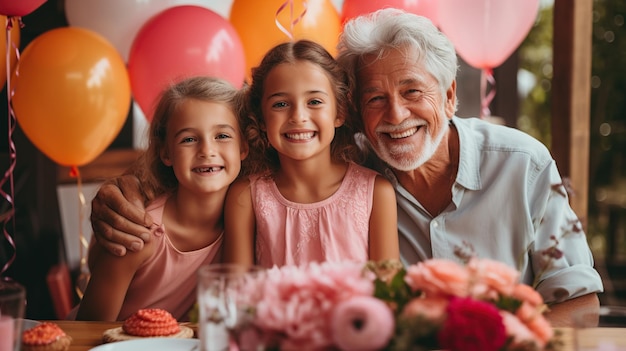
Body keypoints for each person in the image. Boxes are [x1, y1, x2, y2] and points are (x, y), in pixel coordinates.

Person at [88, 9, 602, 326]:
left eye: (413, 92)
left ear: (449, 97)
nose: (396, 116)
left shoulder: (525, 164)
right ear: (356, 111)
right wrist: (129, 186)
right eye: (376, 97)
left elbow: (580, 306)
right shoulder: (355, 156)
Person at [75, 76, 248, 321]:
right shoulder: (138, 232)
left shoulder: (244, 224)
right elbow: (88, 328)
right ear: (166, 152)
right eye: (189, 139)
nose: (207, 150)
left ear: (243, 147)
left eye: (222, 136)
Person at [223, 40, 399, 268]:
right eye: (280, 104)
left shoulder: (376, 193)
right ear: (262, 118)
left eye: (314, 102)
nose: (298, 116)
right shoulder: (245, 197)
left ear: (340, 112)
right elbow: (236, 293)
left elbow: (389, 294)